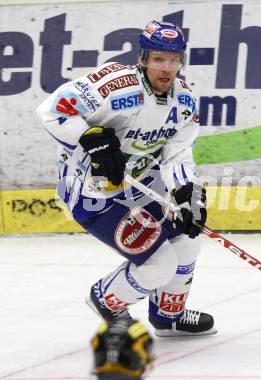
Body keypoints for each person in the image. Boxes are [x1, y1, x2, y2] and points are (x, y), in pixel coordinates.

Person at [36, 20, 216, 336]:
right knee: (159, 265)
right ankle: (107, 300)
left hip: (142, 187)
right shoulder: (113, 85)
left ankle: (167, 316)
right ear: (144, 58)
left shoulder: (184, 101)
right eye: (159, 59)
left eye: (174, 60)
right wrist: (89, 137)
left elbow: (177, 153)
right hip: (93, 192)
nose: (167, 68)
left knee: (187, 241)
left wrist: (185, 191)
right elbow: (52, 110)